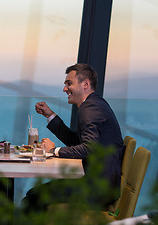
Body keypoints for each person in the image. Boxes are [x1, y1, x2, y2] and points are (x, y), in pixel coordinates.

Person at [22, 63, 125, 212]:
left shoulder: (90, 109)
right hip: (100, 185)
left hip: (97, 189)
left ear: (85, 84)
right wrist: (50, 116)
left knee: (31, 199)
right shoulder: (95, 104)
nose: (65, 89)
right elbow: (76, 142)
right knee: (33, 194)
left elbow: (88, 148)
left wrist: (54, 150)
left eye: (69, 83)